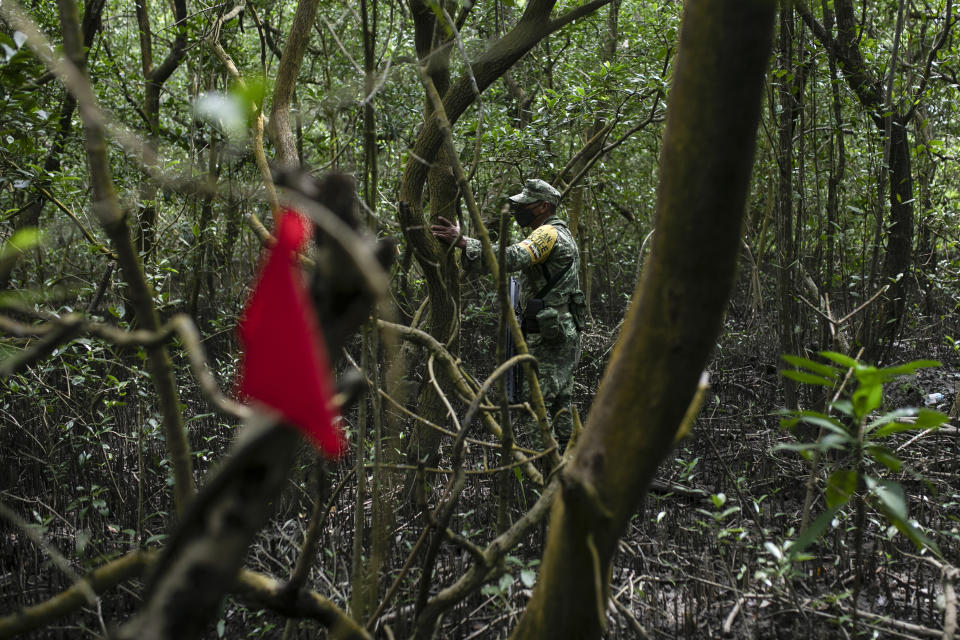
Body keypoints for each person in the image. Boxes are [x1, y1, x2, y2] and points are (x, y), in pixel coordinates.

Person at [431, 178, 585, 451]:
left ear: (543, 207)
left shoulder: (547, 233)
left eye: (527, 204)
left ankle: (546, 470)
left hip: (547, 337)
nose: (519, 209)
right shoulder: (565, 233)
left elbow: (512, 258)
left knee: (535, 406)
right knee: (561, 403)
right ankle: (569, 468)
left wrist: (464, 242)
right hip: (563, 330)